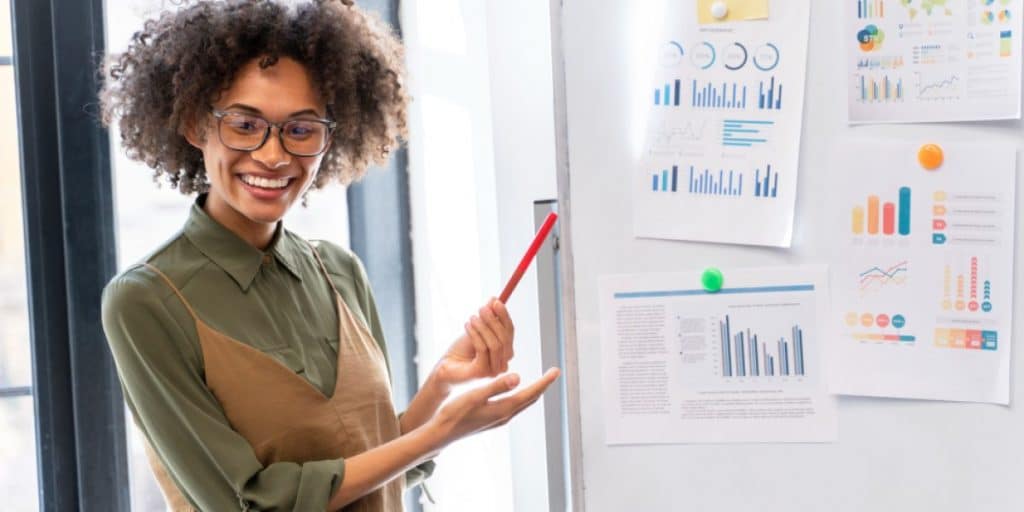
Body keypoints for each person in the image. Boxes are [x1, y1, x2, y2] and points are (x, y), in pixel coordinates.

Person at [98, 1, 560, 510]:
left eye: (301, 129)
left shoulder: (339, 271)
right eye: (245, 125)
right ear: (193, 124)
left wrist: (440, 391)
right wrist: (438, 434)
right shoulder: (145, 302)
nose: (273, 156)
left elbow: (376, 468)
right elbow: (248, 502)